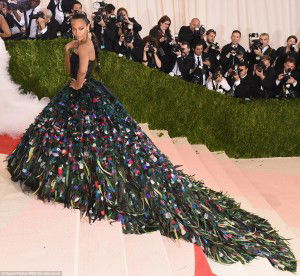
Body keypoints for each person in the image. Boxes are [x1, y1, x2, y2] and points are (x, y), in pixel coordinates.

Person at [5, 13, 296, 274]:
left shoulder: (84, 46)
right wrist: (69, 52)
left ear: (88, 27)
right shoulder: (80, 44)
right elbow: (72, 67)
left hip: (84, 94)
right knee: (85, 140)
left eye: (81, 29)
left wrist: (73, 85)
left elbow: (79, 76)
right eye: (75, 29)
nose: (77, 33)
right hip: (87, 95)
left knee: (89, 140)